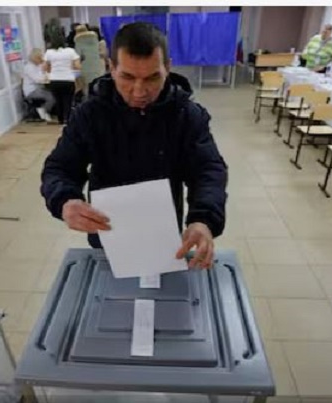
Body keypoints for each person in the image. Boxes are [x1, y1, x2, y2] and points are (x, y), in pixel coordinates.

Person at [40, 22, 228, 269]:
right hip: (107, 238)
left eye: (152, 78)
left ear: (167, 68)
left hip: (166, 237)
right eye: (127, 77)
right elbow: (59, 168)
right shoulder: (89, 115)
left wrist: (203, 219)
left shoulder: (187, 115)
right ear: (112, 67)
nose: (139, 91)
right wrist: (65, 201)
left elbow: (208, 170)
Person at [44, 35, 81, 125]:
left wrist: (51, 71)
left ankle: (60, 119)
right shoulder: (70, 51)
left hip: (54, 80)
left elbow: (45, 67)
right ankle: (67, 119)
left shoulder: (49, 52)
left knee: (58, 100)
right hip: (68, 79)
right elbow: (77, 66)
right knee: (68, 100)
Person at [22, 48, 55, 122]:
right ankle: (43, 111)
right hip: (31, 91)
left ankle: (45, 111)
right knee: (51, 97)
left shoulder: (38, 65)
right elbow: (38, 79)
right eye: (39, 58)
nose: (41, 60)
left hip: (39, 89)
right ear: (34, 58)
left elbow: (45, 74)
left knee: (54, 94)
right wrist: (45, 76)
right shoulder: (29, 67)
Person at [74, 24, 105, 99]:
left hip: (85, 67)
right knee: (97, 86)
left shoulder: (78, 40)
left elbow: (78, 56)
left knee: (86, 88)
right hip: (97, 66)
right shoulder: (94, 38)